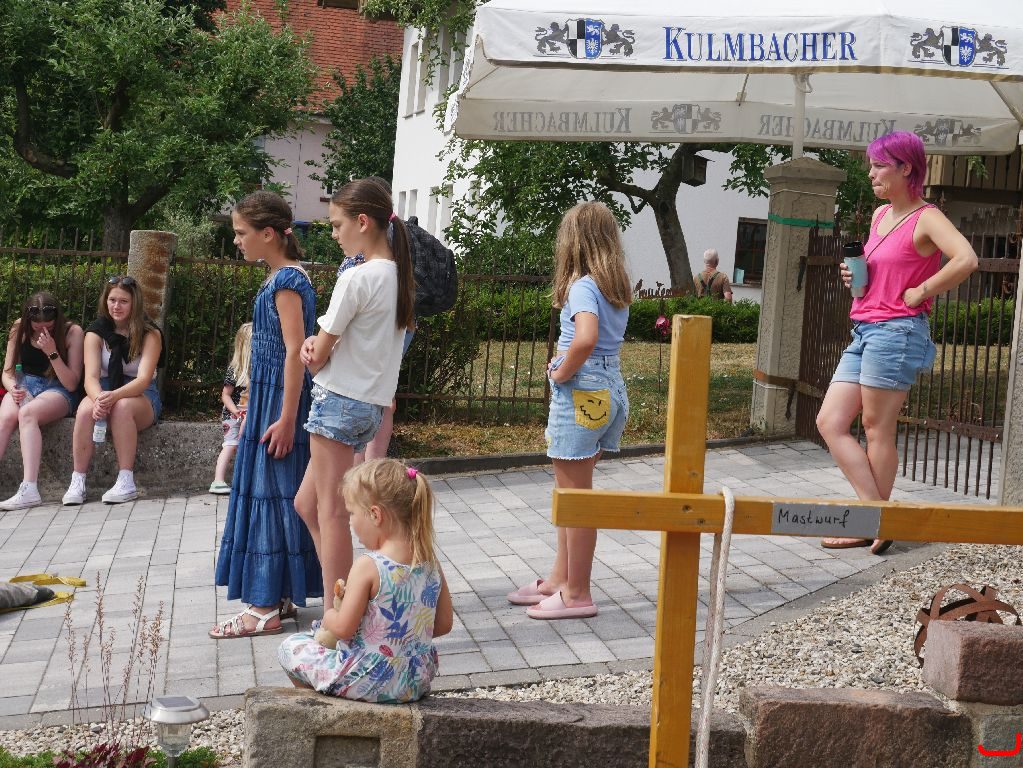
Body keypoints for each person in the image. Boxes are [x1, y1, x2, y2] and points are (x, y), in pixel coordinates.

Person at [816, 131, 978, 555]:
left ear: (906, 168)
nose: (871, 173)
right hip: (865, 327)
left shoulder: (927, 217)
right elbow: (882, 268)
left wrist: (922, 290)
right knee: (830, 422)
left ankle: (871, 522)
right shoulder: (879, 214)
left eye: (879, 165)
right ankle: (879, 518)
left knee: (876, 428)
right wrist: (855, 276)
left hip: (897, 332)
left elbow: (966, 259)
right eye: (870, 165)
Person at [295, 177, 415, 621]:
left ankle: (340, 615)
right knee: (307, 504)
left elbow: (319, 353)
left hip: (338, 401)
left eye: (336, 224)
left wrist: (310, 349)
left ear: (362, 222)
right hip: (368, 406)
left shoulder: (358, 276)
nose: (333, 234)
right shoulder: (399, 276)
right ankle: (350, 596)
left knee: (331, 513)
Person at [507, 201, 632, 619]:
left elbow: (585, 338)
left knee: (576, 499)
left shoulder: (582, 286)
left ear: (573, 241)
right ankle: (560, 579)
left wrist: (560, 371)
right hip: (609, 389)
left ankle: (577, 594)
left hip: (582, 391)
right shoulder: (614, 286)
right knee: (572, 493)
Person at [211, 191, 322, 639]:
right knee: (277, 495)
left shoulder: (287, 281)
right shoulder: (281, 276)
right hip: (271, 399)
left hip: (280, 403)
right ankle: (277, 595)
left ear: (269, 234)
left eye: (242, 232)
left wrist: (287, 417)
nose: (237, 240)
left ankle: (262, 608)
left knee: (270, 493)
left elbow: (296, 351)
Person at [278, 459, 453, 702]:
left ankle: (320, 706)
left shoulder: (369, 565)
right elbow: (443, 624)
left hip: (369, 680)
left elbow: (343, 628)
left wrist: (329, 614)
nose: (350, 522)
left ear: (375, 515)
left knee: (290, 647)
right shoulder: (430, 562)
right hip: (414, 680)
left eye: (352, 513)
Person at [62, 277, 163, 506]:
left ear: (134, 303)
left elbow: (143, 379)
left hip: (140, 393)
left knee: (122, 407)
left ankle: (126, 481)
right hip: (104, 388)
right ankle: (78, 480)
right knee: (85, 410)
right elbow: (90, 378)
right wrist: (99, 399)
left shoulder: (150, 334)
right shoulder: (95, 332)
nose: (116, 306)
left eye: (123, 301)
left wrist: (113, 398)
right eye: (112, 300)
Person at [0, 293, 84, 510]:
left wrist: (52, 352)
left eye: (48, 325)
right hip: (25, 384)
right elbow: (7, 372)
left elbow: (72, 383)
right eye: (37, 326)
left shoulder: (72, 332)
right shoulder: (19, 328)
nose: (42, 330)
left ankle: (29, 488)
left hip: (58, 388)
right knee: (6, 417)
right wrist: (13, 388)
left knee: (27, 414)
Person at [210, 322, 252, 495]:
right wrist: (235, 412)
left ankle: (243, 481)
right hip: (233, 414)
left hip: (250, 414)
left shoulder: (260, 369)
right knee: (231, 444)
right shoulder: (234, 370)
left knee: (247, 445)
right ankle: (218, 480)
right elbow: (225, 395)